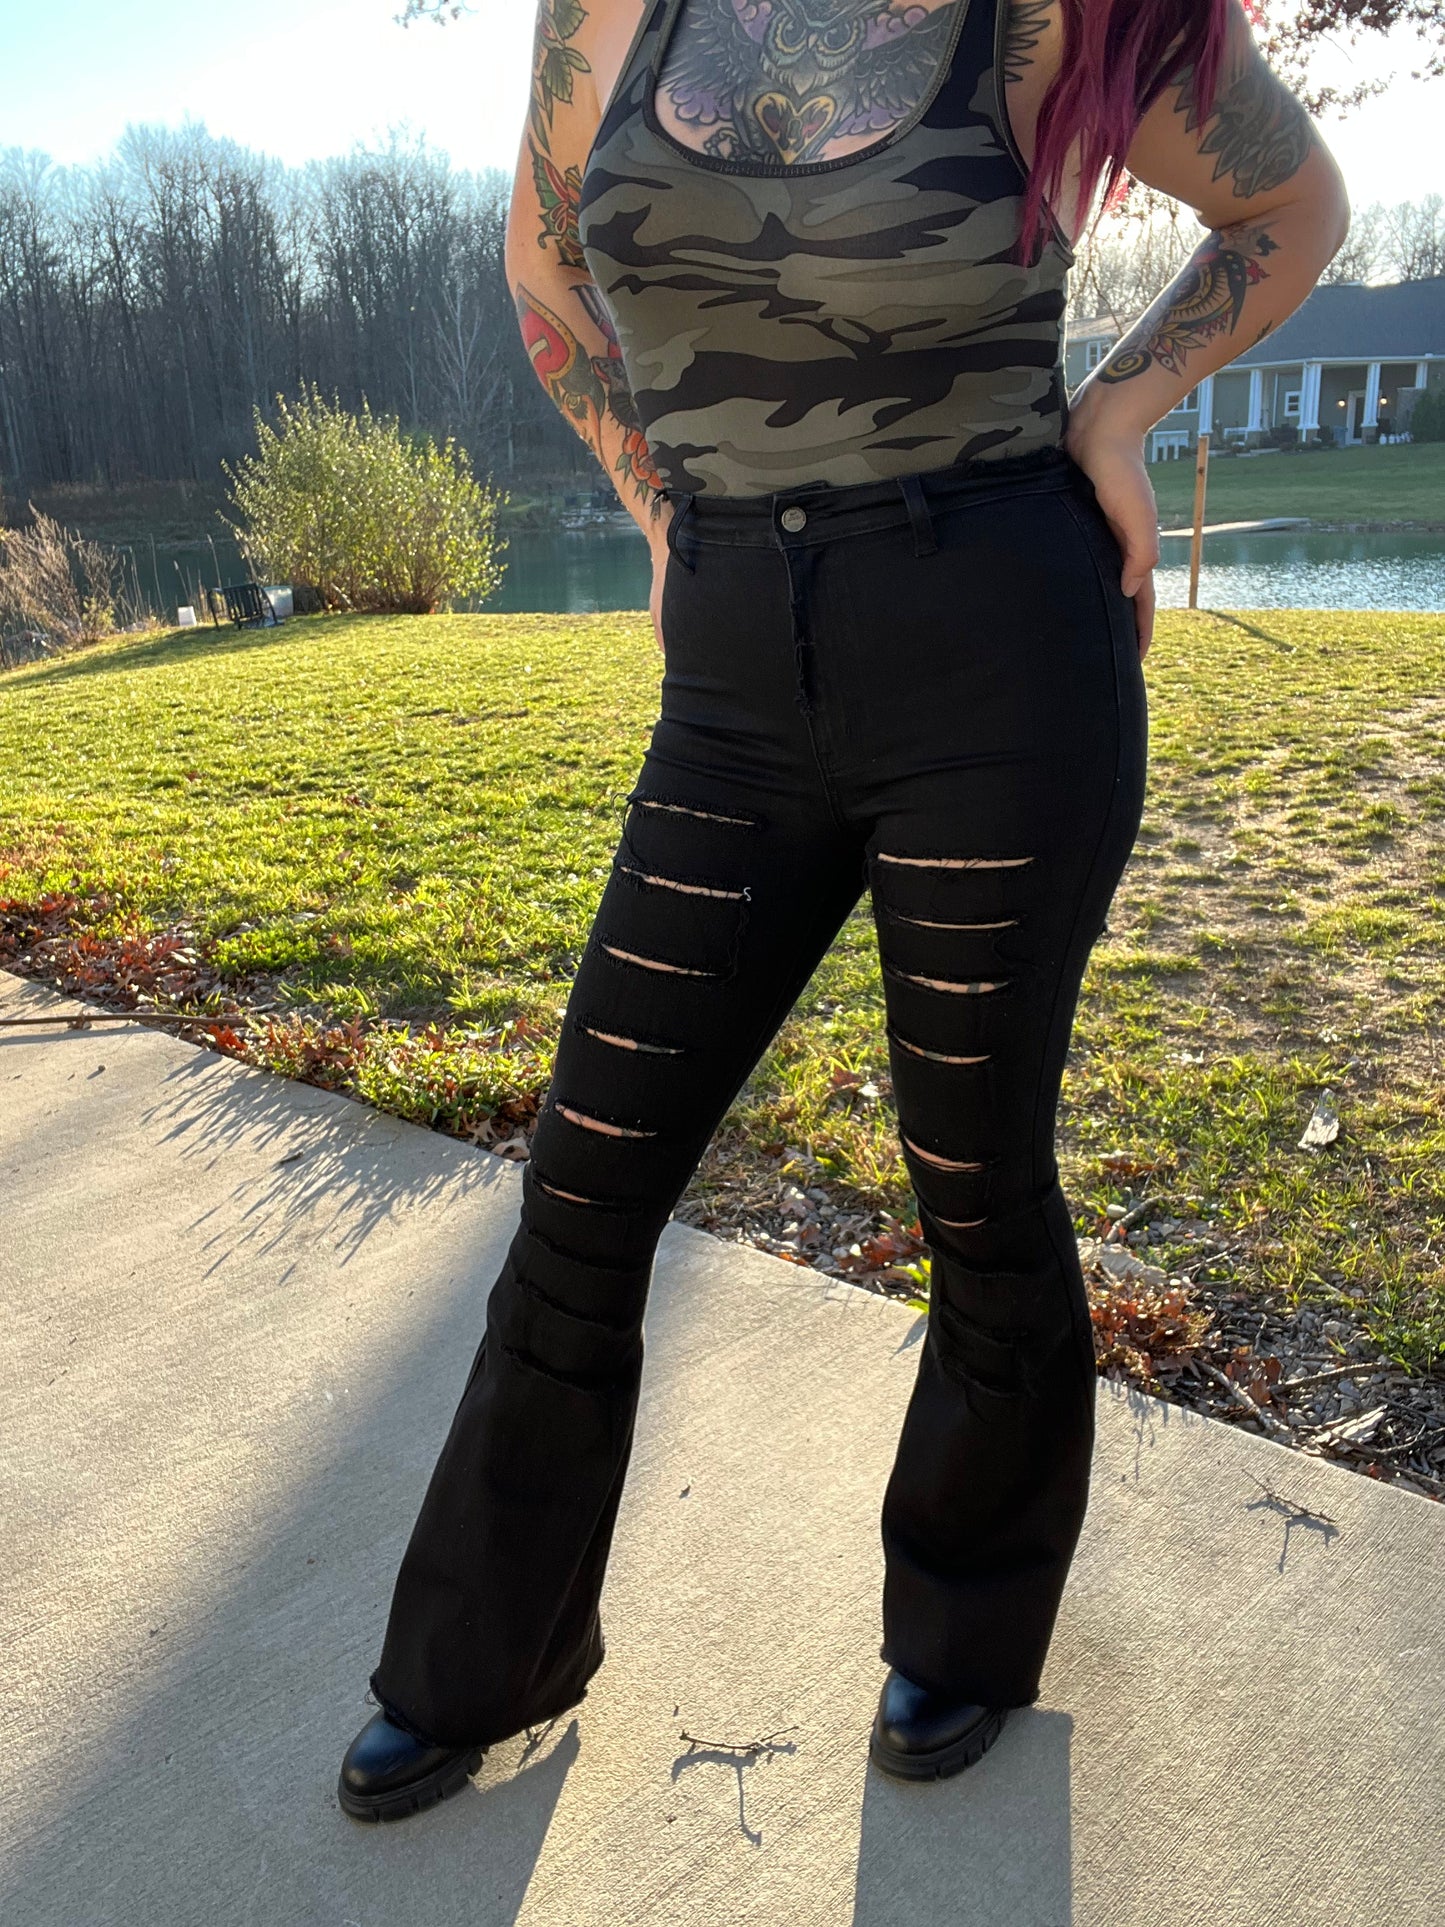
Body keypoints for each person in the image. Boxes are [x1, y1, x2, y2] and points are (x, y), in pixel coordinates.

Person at [338, 0, 1347, 1822]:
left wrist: (1119, 409)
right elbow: (546, 265)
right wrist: (651, 498)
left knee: (970, 1175)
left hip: (993, 649)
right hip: (733, 671)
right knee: (584, 1178)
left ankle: (965, 1628)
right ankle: (478, 1658)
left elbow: (1290, 206)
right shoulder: (606, 11)